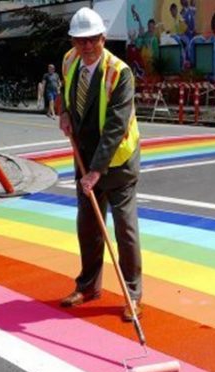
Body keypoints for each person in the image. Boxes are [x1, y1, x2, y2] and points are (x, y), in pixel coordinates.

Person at [59, 7, 143, 322]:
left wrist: (95, 171)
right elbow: (65, 95)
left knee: (125, 230)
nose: (87, 47)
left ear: (103, 39)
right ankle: (88, 285)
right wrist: (63, 113)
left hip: (117, 162)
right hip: (84, 156)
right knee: (88, 226)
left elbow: (116, 127)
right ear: (73, 41)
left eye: (93, 40)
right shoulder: (70, 61)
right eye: (81, 41)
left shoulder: (120, 73)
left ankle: (132, 294)